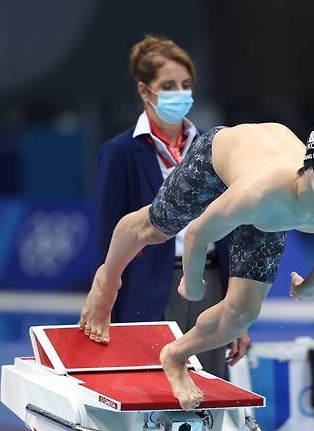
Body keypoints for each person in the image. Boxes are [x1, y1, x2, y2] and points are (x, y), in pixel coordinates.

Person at [80, 120, 314, 410]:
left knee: (243, 313)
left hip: (273, 207)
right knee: (156, 229)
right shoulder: (259, 193)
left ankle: (175, 355)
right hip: (220, 157)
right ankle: (107, 279)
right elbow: (198, 232)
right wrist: (193, 282)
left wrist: (310, 285)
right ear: (311, 167)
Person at [93, 35, 245, 378]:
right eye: (169, 85)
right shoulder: (120, 153)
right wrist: (104, 302)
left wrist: (239, 311)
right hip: (150, 285)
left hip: (211, 282)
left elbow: (233, 230)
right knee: (153, 392)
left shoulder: (214, 146)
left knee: (211, 393)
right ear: (145, 91)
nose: (180, 93)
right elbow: (107, 240)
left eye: (186, 85)